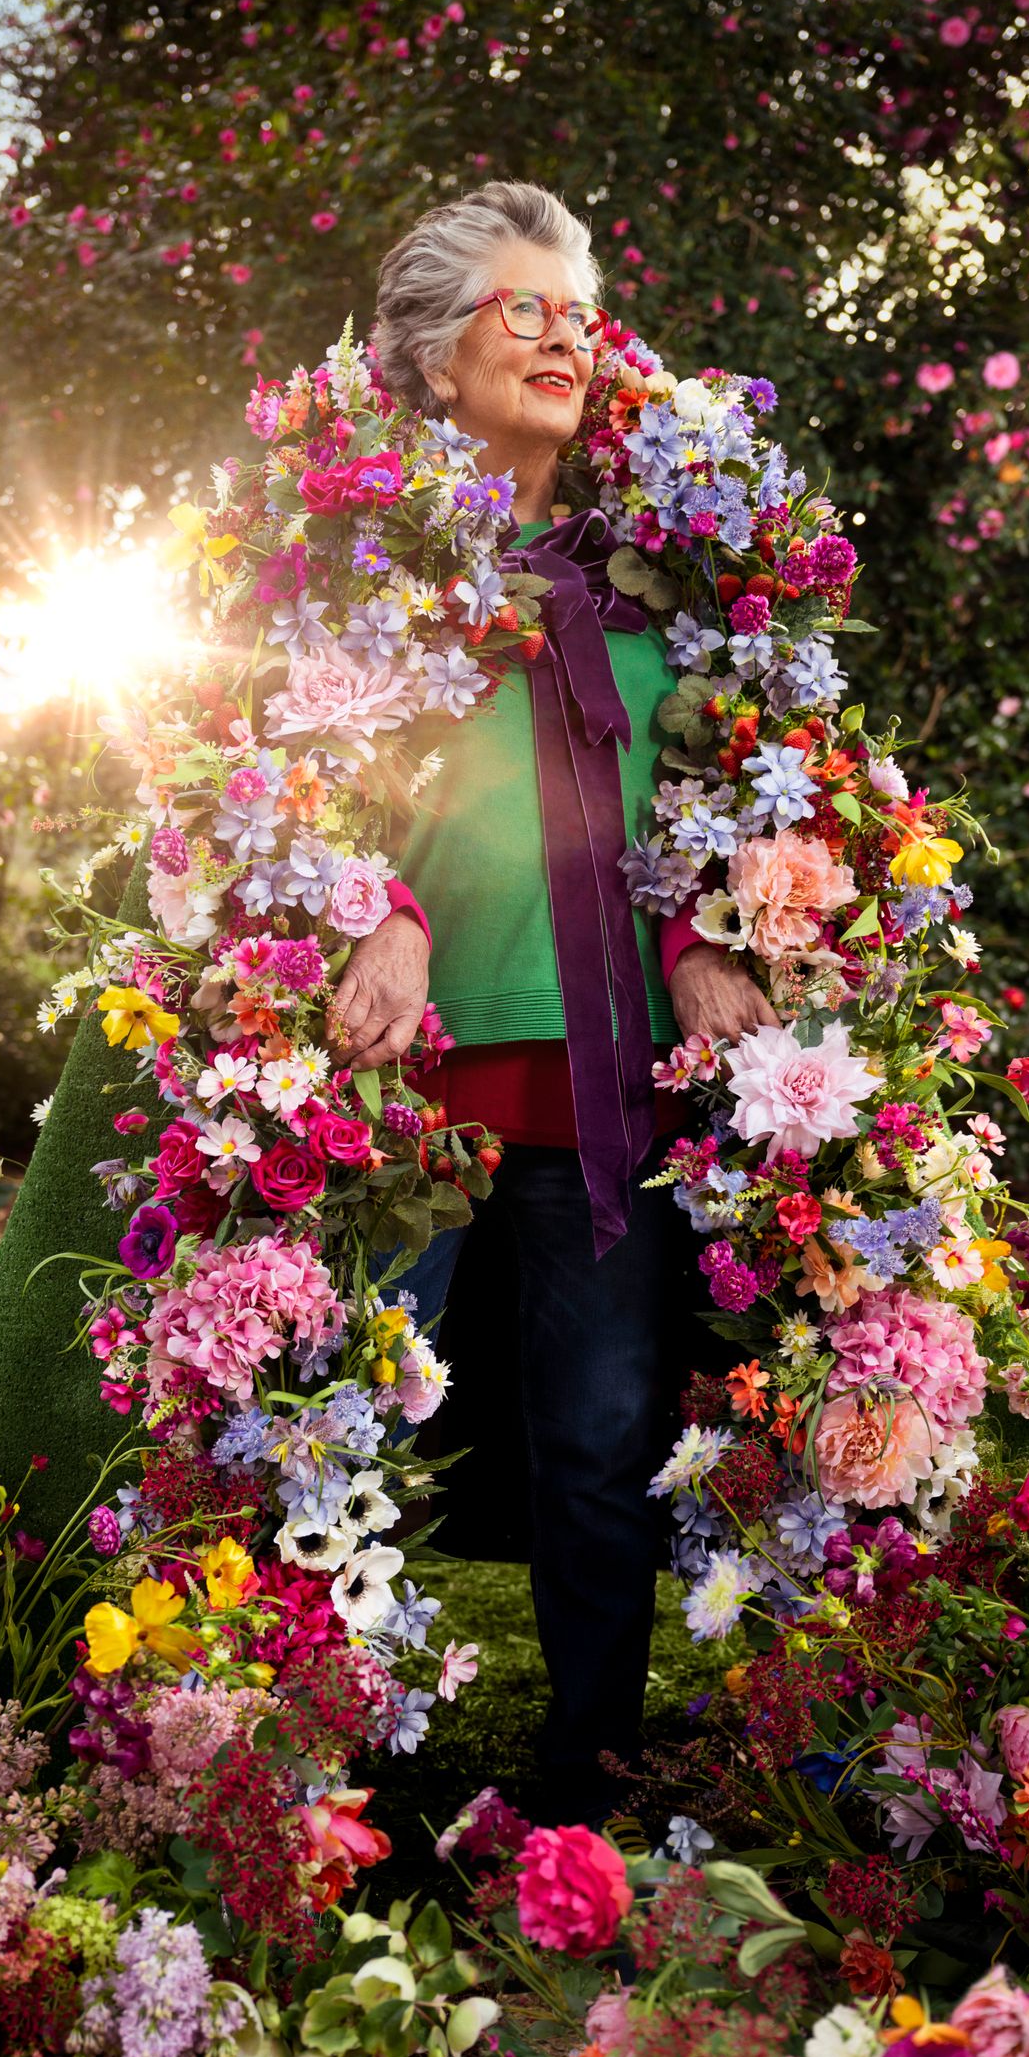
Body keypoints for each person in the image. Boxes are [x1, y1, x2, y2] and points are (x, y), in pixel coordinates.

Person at [318, 180, 776, 1819]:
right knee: (338, 1448)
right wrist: (384, 912)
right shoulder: (357, 572)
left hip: (611, 1092)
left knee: (600, 1445)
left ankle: (591, 1780)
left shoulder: (662, 583)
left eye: (581, 313)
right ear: (438, 360)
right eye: (527, 310)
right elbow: (282, 789)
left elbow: (704, 807)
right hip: (399, 1086)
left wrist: (707, 941)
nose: (566, 337)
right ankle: (342, 1791)